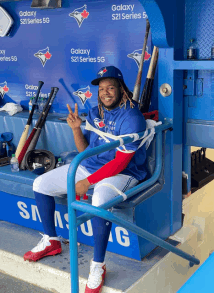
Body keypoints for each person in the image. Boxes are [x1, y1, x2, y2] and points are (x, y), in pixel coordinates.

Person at [23, 66, 147, 293]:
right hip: (92, 167)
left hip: (125, 173)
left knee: (99, 199)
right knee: (40, 184)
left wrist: (88, 182)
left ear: (121, 89)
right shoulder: (95, 111)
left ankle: (98, 265)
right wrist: (76, 129)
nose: (106, 93)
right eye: (101, 89)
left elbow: (121, 163)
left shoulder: (131, 116)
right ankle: (52, 241)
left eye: (111, 88)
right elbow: (86, 150)